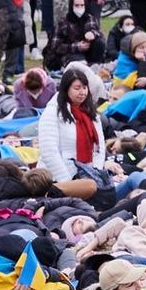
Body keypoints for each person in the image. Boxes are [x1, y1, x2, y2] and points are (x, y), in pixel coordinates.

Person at [37, 66, 108, 197]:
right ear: (66, 89)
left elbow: (99, 146)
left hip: (87, 175)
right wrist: (68, 182)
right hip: (59, 179)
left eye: (85, 88)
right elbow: (49, 151)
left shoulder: (91, 113)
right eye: (77, 88)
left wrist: (96, 171)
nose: (82, 92)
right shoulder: (53, 112)